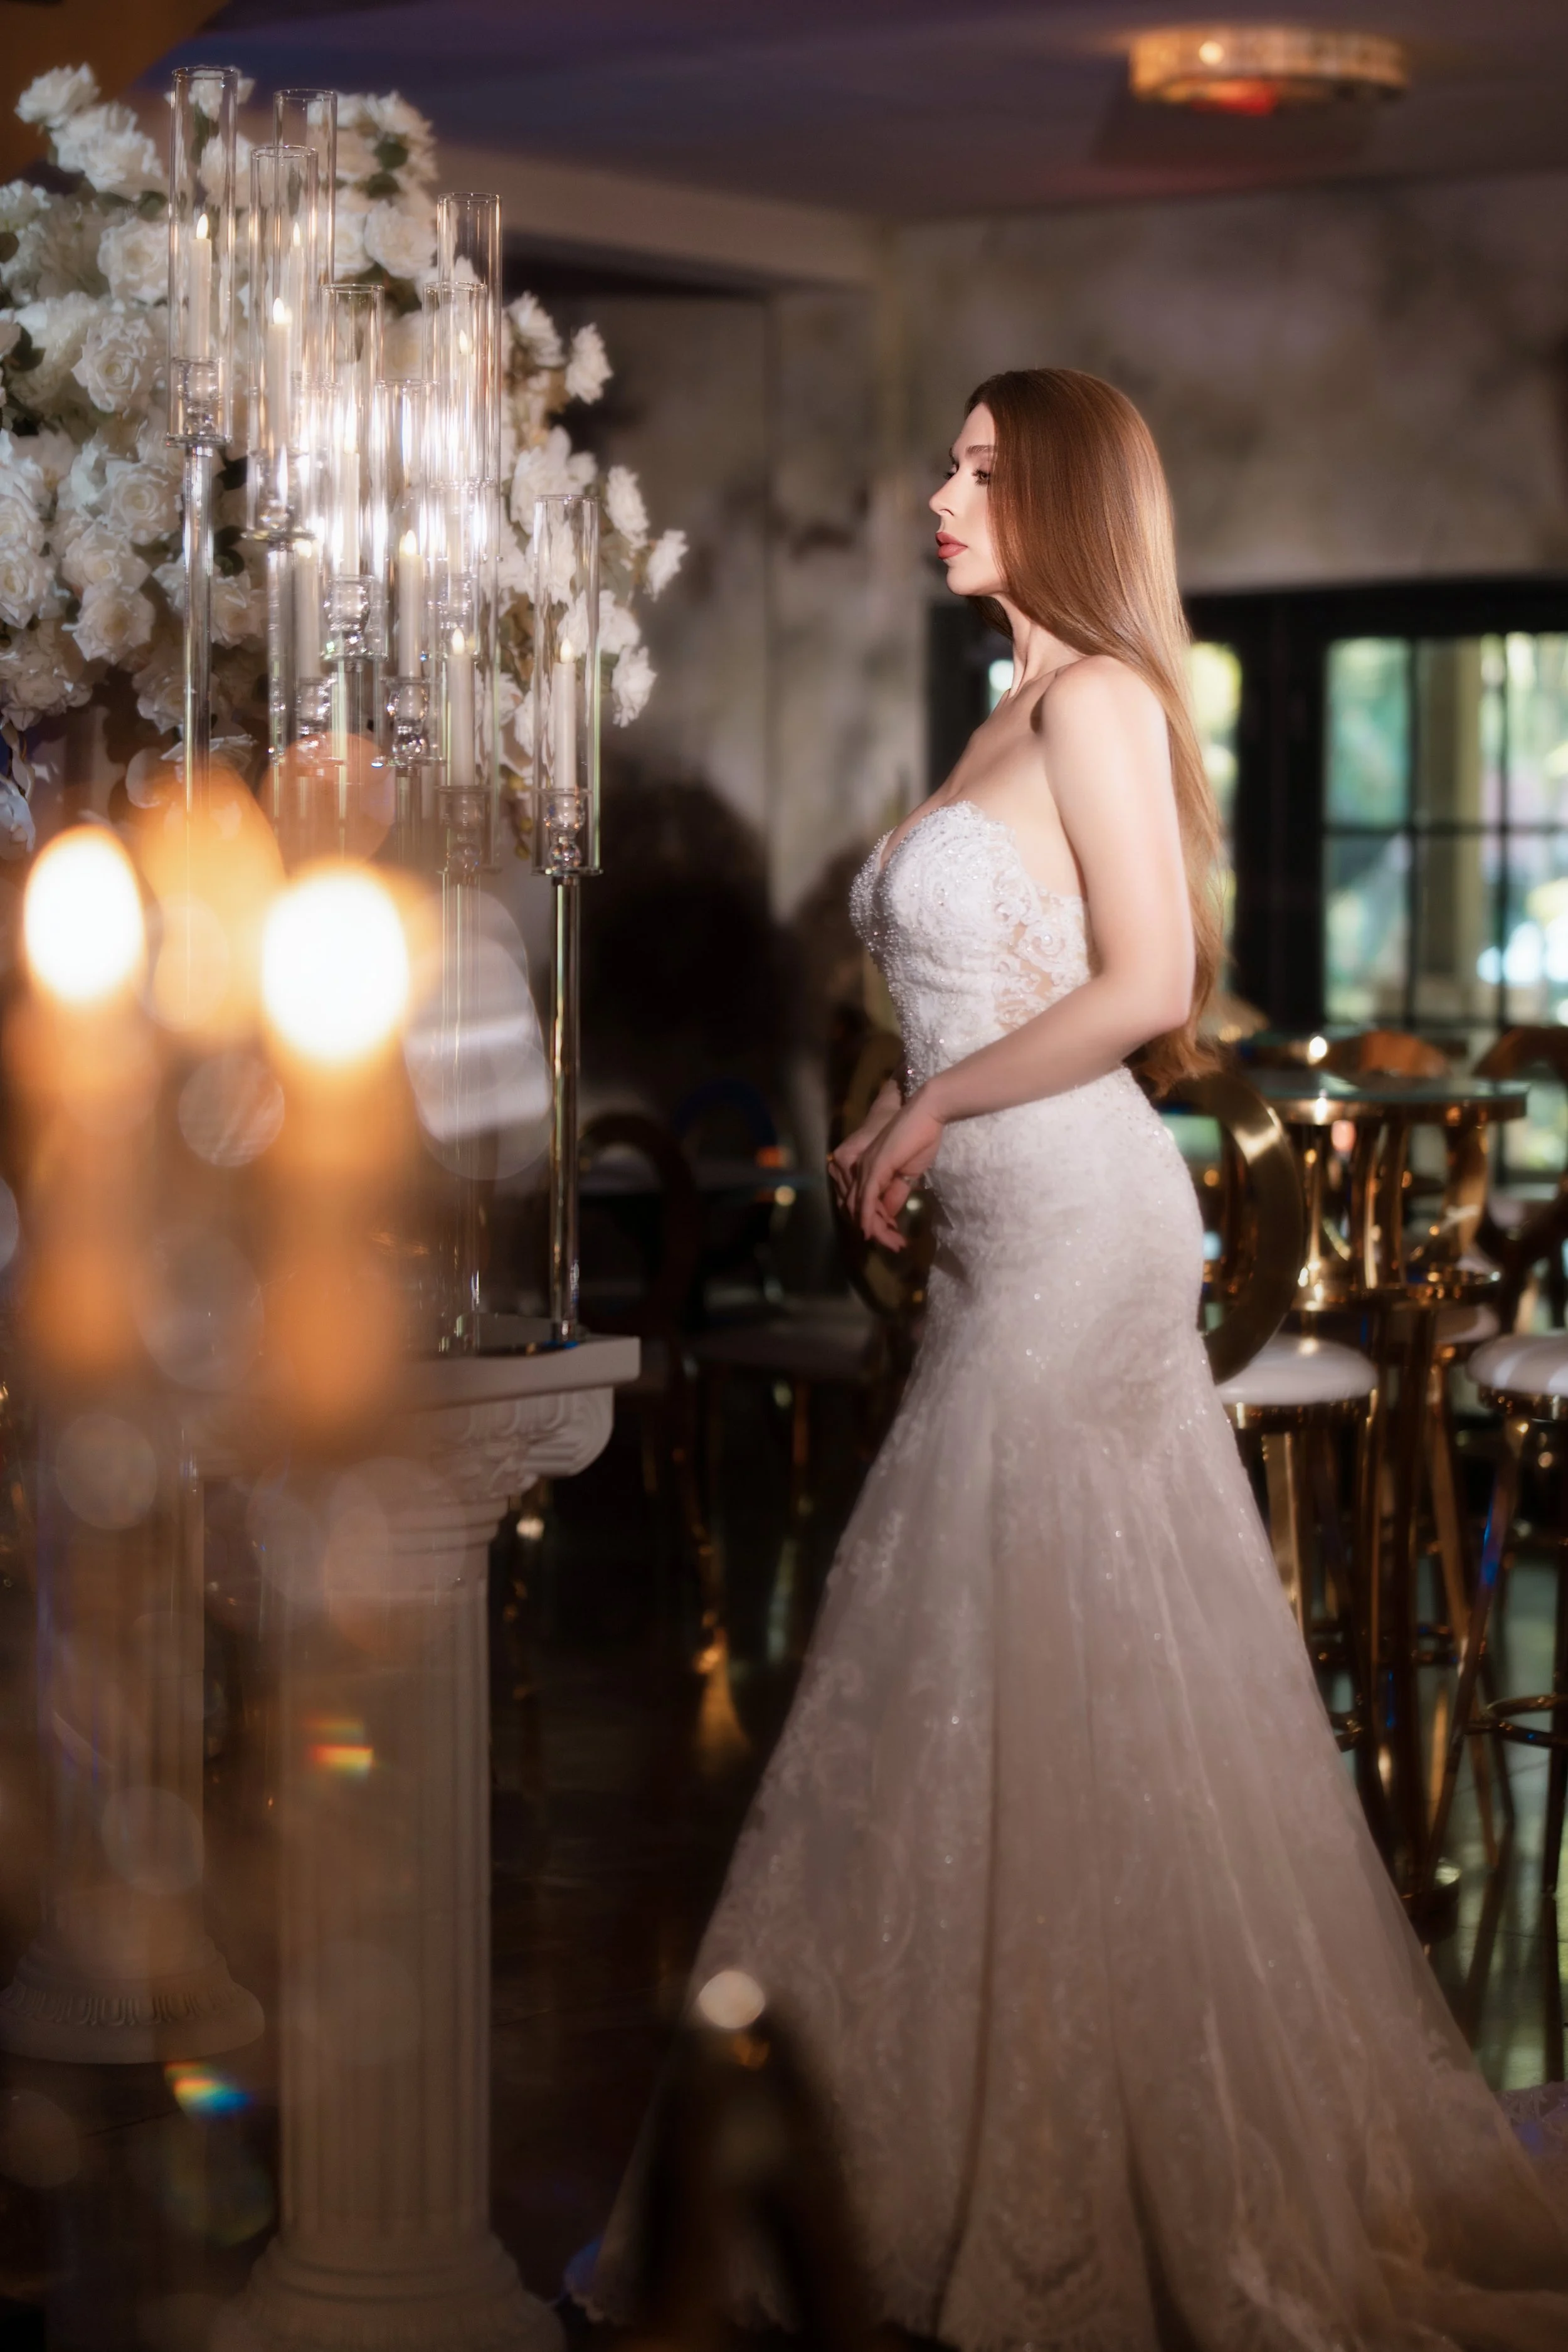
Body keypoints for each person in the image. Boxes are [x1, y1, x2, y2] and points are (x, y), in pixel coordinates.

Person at [589, 369, 1568, 2349]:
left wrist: (925, 1105)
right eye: (946, 461)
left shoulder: (1102, 697)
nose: (937, 491)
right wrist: (913, 1123)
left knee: (1045, 1635)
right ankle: (948, 2140)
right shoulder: (1001, 715)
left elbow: (1150, 984)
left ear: (1055, 493)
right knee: (971, 1656)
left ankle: (1107, 2158)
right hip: (994, 1241)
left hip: (1081, 1229)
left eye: (975, 465)